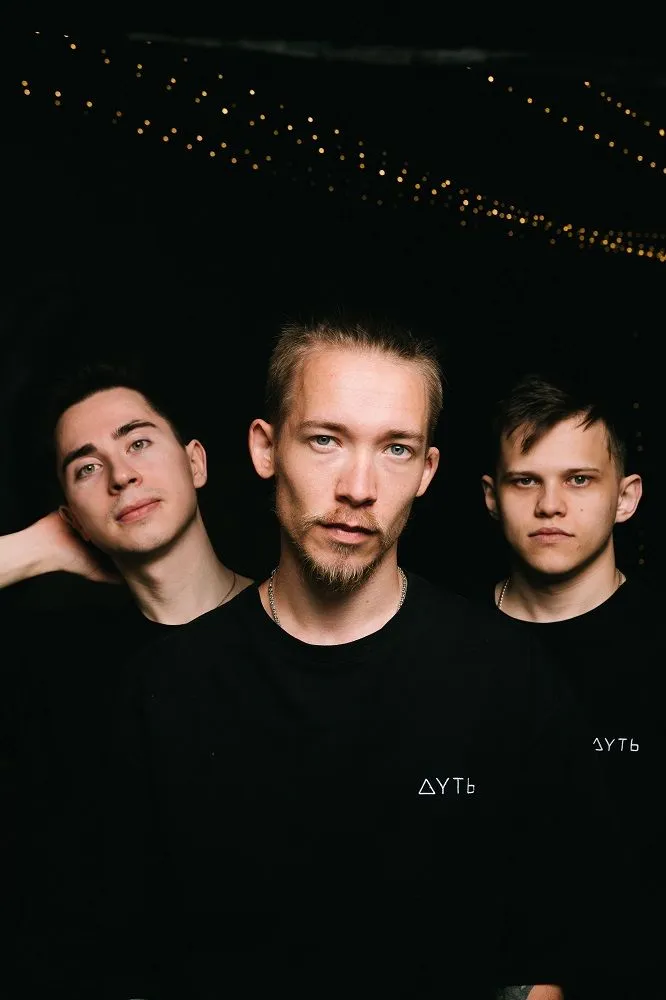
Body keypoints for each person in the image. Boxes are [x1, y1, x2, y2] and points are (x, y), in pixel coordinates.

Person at [123, 320, 615, 999]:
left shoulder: (512, 678)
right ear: (265, 448)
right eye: (326, 440)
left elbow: (547, 958)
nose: (358, 487)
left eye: (395, 449)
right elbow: (122, 953)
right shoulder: (166, 686)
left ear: (426, 472)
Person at [0, 360, 252, 998]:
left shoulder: (302, 625)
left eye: (138, 442)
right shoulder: (67, 682)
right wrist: (31, 550)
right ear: (71, 515)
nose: (121, 475)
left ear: (195, 463)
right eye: (87, 467)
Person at [481, 372, 662, 999]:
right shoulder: (443, 645)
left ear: (626, 497)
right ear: (491, 496)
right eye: (525, 480)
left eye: (579, 480)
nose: (550, 505)